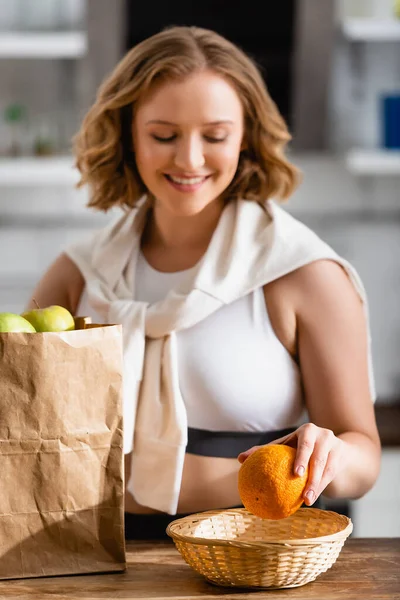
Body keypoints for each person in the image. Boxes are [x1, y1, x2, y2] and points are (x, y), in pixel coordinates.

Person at [26, 26, 381, 539]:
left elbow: (364, 457)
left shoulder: (303, 275)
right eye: (163, 135)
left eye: (214, 136)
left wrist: (333, 454)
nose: (189, 159)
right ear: (128, 134)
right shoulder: (78, 274)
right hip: (92, 554)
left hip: (257, 555)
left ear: (245, 138)